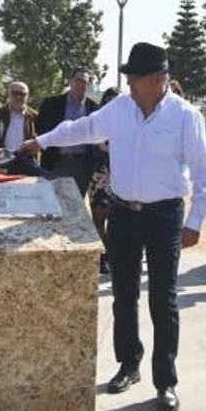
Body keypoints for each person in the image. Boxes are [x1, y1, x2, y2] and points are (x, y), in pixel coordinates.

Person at [18, 42, 206, 411]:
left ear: (157, 80)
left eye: (134, 78)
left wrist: (195, 221)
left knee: (164, 299)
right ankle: (129, 364)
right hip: (123, 213)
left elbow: (204, 174)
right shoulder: (120, 109)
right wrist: (39, 141)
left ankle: (166, 382)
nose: (128, 84)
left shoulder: (186, 117)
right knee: (123, 294)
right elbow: (82, 128)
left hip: (164, 217)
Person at [35, 68, 100, 196]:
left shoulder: (94, 109)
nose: (81, 84)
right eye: (78, 80)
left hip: (81, 165)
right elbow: (40, 126)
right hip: (55, 161)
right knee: (51, 203)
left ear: (88, 86)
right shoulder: (51, 104)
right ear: (70, 82)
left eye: (85, 82)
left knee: (74, 207)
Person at [88, 87, 121, 274]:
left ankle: (113, 256)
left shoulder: (128, 122)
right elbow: (98, 145)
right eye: (109, 100)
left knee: (116, 221)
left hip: (120, 177)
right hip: (99, 175)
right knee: (99, 218)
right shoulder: (97, 120)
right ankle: (101, 257)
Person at [0, 81, 37, 152]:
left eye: (22, 94)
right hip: (1, 158)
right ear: (9, 94)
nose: (18, 97)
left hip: (25, 159)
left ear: (27, 96)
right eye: (15, 93)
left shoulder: (34, 116)